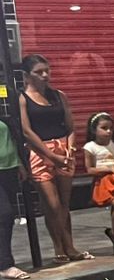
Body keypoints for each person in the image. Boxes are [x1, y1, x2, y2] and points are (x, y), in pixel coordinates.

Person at [17, 54, 90, 262]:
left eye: (46, 71)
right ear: (27, 76)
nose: (45, 75)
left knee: (65, 202)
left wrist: (70, 147)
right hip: (39, 150)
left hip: (62, 148)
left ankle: (70, 245)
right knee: (52, 203)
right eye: (38, 72)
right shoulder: (23, 98)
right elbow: (26, 130)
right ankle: (59, 245)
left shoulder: (58, 95)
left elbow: (70, 125)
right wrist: (49, 155)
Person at [81, 112, 114, 255]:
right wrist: (107, 169)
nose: (108, 131)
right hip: (104, 180)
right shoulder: (90, 147)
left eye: (110, 128)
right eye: (104, 128)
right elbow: (89, 169)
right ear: (93, 130)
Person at [0, 111, 26, 279]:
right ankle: (5, 264)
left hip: (8, 170)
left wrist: (19, 164)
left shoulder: (3, 118)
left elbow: (10, 142)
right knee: (5, 214)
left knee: (6, 218)